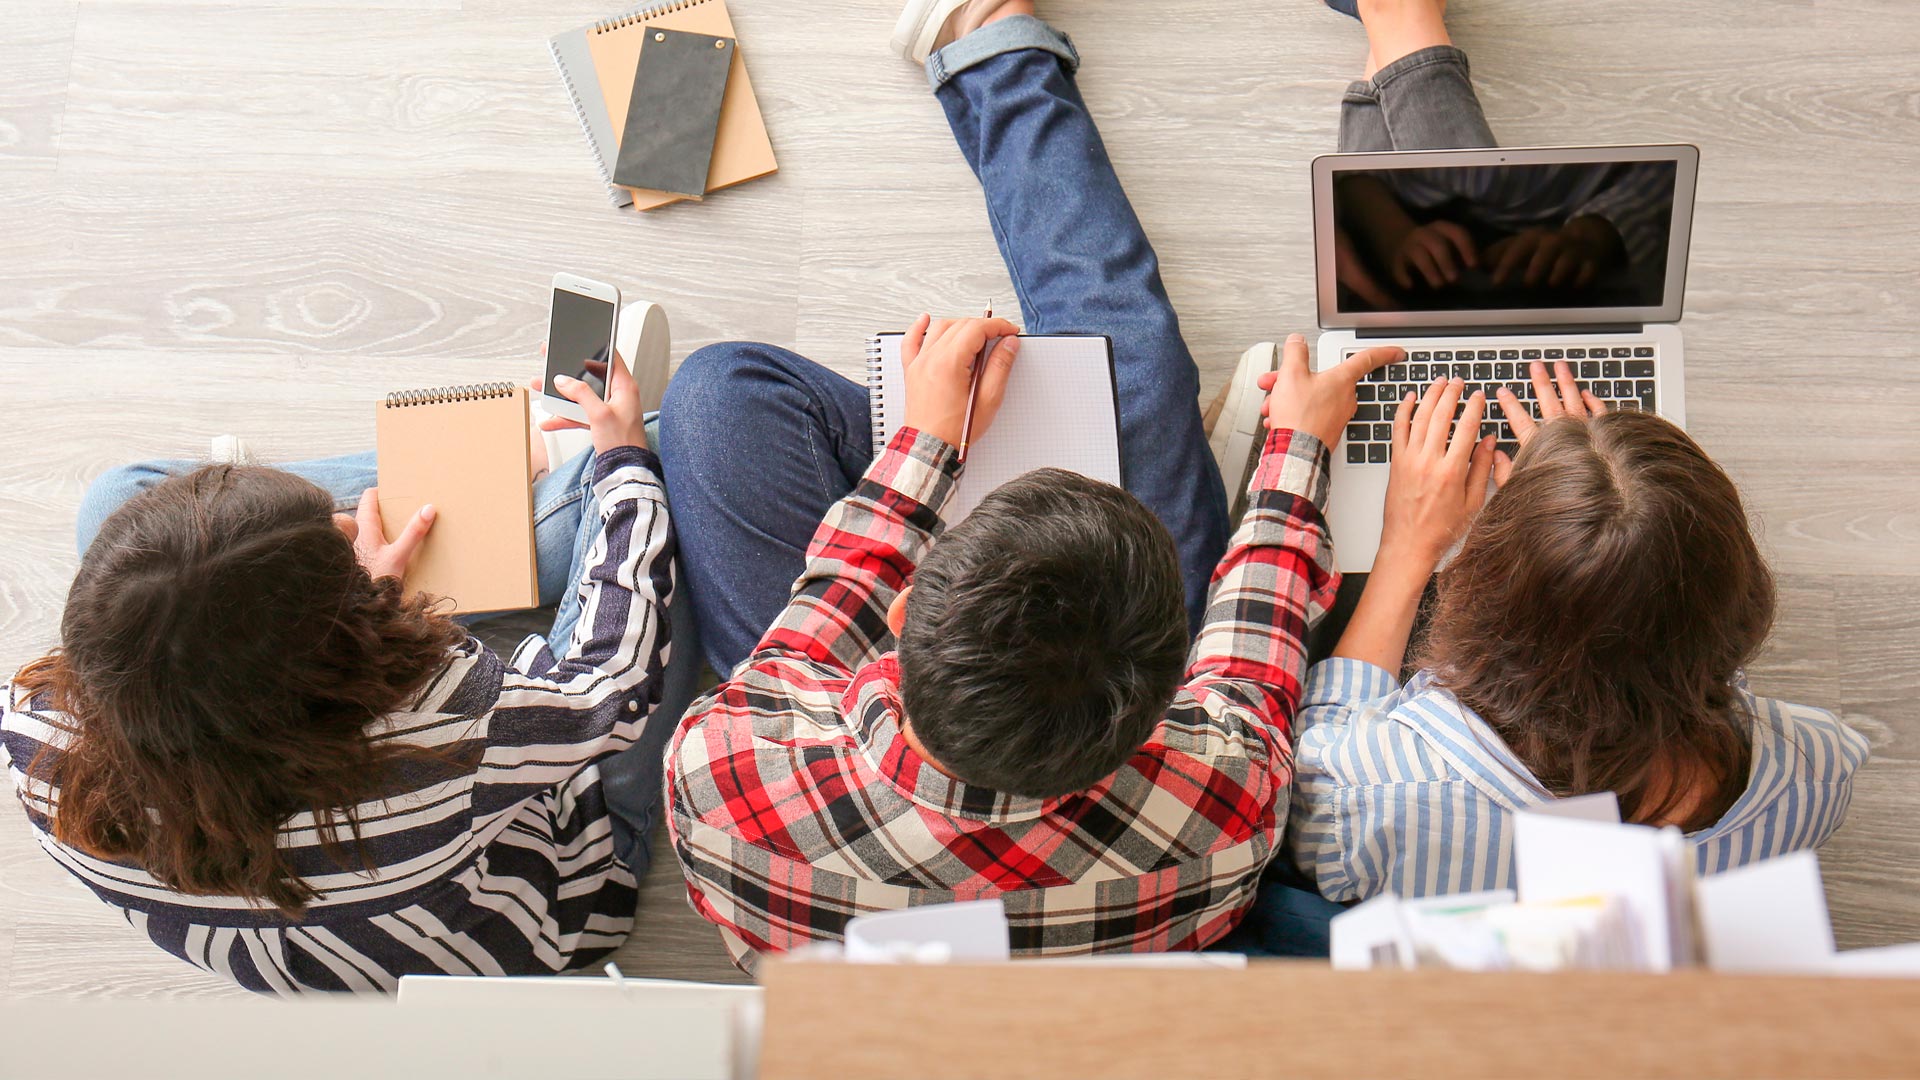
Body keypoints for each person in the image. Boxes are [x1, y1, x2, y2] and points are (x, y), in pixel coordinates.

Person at [655, 0, 1397, 968]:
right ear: (1162, 691)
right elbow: (1250, 666)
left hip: (832, 775)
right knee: (1134, 370)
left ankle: (986, 39)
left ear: (906, 602)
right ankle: (990, 46)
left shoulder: (720, 782)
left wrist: (928, 442)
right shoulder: (1227, 812)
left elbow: (811, 631)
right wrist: (1294, 451)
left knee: (714, 396)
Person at [1287, 0, 1867, 908]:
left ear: (1472, 604)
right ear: (1737, 604)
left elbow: (1324, 730)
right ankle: (1399, 37)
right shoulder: (1814, 769)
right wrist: (1597, 528)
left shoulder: (1373, 795)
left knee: (1470, 308)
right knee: (1505, 306)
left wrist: (1409, 549)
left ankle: (1402, 32)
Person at [0, 351, 683, 994]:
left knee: (118, 504)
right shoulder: (442, 721)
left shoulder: (36, 738)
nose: (347, 528)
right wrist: (623, 460)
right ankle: (533, 470)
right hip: (555, 893)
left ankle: (519, 475)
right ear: (329, 660)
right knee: (659, 457)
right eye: (340, 553)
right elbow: (612, 688)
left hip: (332, 898)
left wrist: (343, 598)